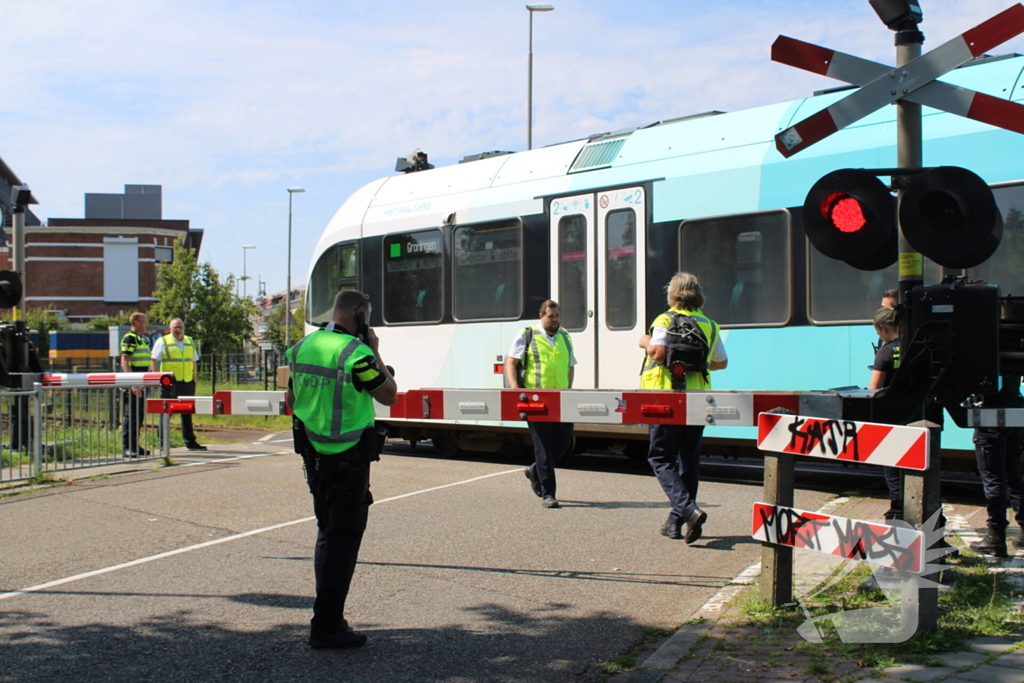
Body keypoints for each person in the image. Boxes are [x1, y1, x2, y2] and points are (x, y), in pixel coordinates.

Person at [286, 289, 397, 649]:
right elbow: (388, 394)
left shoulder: (303, 347)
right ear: (360, 314)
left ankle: (327, 615)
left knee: (326, 531)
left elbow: (291, 399)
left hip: (313, 456)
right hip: (347, 457)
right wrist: (376, 349)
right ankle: (327, 624)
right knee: (344, 539)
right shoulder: (357, 353)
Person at [638, 272, 727, 544]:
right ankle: (676, 522)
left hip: (665, 398)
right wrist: (695, 364)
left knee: (660, 458)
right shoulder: (710, 324)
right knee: (689, 461)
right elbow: (721, 362)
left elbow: (659, 354)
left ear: (673, 294)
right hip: (698, 399)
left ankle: (688, 510)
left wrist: (644, 341)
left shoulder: (664, 319)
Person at [504, 300, 576, 509]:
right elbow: (511, 363)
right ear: (541, 316)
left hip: (562, 398)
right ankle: (548, 494)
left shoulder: (565, 336)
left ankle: (535, 470)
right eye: (550, 316)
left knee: (562, 444)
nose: (554, 320)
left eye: (557, 316)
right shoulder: (527, 334)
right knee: (544, 447)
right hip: (537, 400)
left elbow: (571, 365)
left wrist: (569, 388)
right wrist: (516, 390)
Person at [970, 376, 1024, 558]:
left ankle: (995, 538)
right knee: (1013, 476)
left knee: (994, 479)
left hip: (990, 415)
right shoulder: (1012, 348)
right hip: (1016, 409)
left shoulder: (984, 350)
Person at [868, 307, 904, 520]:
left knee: (894, 473)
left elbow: (874, 389)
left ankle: (899, 515)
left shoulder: (886, 352)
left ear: (883, 328)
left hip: (892, 419)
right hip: (919, 417)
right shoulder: (915, 346)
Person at [150, 318, 206, 451]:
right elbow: (153, 360)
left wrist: (194, 380)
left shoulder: (189, 341)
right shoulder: (163, 341)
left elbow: (193, 361)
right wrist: (158, 379)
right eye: (175, 327)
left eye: (180, 327)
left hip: (186, 381)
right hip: (170, 383)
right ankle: (162, 443)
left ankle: (190, 442)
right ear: (170, 328)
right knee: (166, 412)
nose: (178, 329)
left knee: (187, 413)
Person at [120, 312, 152, 458]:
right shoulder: (130, 338)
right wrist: (133, 384)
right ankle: (127, 446)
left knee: (139, 414)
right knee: (131, 413)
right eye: (144, 321)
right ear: (136, 322)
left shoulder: (142, 339)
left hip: (142, 379)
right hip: (135, 379)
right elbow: (125, 361)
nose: (146, 324)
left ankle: (135, 445)